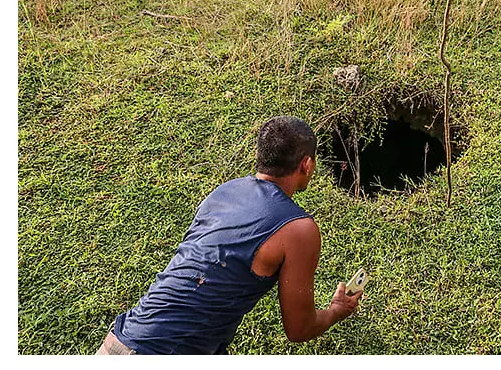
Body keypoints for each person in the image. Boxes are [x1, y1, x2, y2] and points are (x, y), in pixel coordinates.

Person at [96, 116, 363, 355]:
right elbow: (299, 329)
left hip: (121, 340)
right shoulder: (299, 228)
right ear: (306, 164)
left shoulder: (224, 191)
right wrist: (336, 311)